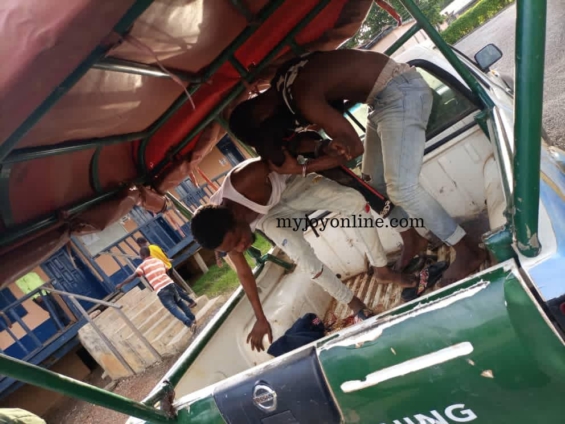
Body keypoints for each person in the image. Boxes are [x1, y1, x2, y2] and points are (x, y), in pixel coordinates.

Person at [228, 49, 486, 285]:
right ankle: (412, 239)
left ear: (262, 115)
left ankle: (467, 250)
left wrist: (300, 170)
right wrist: (324, 147)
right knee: (374, 183)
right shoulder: (282, 83)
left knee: (402, 188)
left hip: (400, 92)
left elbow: (354, 148)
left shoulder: (302, 97)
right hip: (381, 101)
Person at [190, 155, 415, 352]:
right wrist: (260, 318)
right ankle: (354, 304)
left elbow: (278, 158)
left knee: (355, 201)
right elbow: (244, 274)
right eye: (232, 249)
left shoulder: (246, 180)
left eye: (238, 240)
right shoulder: (224, 234)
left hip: (289, 184)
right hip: (268, 216)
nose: (241, 248)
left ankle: (382, 270)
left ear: (235, 216)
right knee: (303, 258)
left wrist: (314, 167)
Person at [117, 247, 197, 331]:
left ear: (142, 255)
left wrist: (121, 284)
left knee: (173, 308)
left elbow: (132, 277)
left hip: (161, 290)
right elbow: (166, 270)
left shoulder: (142, 266)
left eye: (140, 255)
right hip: (170, 284)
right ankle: (192, 319)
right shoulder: (158, 261)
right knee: (180, 302)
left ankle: (189, 323)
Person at [135, 237, 197, 308]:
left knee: (173, 288)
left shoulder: (147, 252)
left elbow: (152, 262)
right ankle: (184, 298)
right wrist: (166, 260)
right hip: (168, 266)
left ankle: (190, 301)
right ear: (146, 241)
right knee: (172, 286)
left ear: (140, 244)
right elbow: (164, 254)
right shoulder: (155, 246)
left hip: (162, 270)